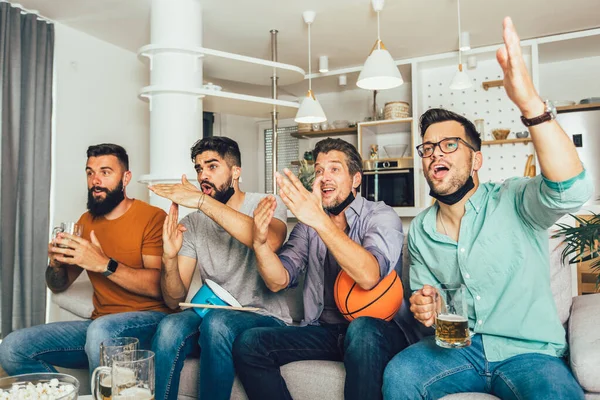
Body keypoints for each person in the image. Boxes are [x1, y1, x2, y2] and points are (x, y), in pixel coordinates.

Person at [382, 17, 592, 400]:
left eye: (449, 145)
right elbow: (430, 304)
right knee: (401, 374)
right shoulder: (421, 232)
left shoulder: (513, 200)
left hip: (529, 354)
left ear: (476, 161)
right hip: (459, 352)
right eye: (427, 148)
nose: (433, 154)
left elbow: (571, 191)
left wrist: (531, 105)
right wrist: (425, 308)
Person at [232, 138, 416, 400]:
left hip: (379, 331)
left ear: (355, 180)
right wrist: (260, 244)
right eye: (319, 171)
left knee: (362, 330)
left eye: (334, 169)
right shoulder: (308, 226)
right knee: (250, 343)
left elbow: (369, 276)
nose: (324, 178)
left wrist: (319, 220)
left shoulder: (381, 215)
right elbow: (278, 280)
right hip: (326, 331)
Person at [0, 143, 170, 374]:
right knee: (12, 347)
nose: (95, 180)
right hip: (99, 326)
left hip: (149, 322)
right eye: (90, 172)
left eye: (105, 172)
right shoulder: (86, 221)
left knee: (101, 330)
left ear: (126, 177)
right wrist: (55, 263)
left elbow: (159, 286)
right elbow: (58, 285)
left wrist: (103, 264)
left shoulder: (153, 217)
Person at [147, 136, 291, 400]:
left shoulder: (266, 203)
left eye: (212, 166)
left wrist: (202, 202)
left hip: (264, 315)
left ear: (236, 172)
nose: (203, 175)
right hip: (211, 313)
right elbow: (173, 299)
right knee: (169, 327)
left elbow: (268, 241)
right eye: (199, 168)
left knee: (218, 323)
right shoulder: (194, 223)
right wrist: (169, 257)